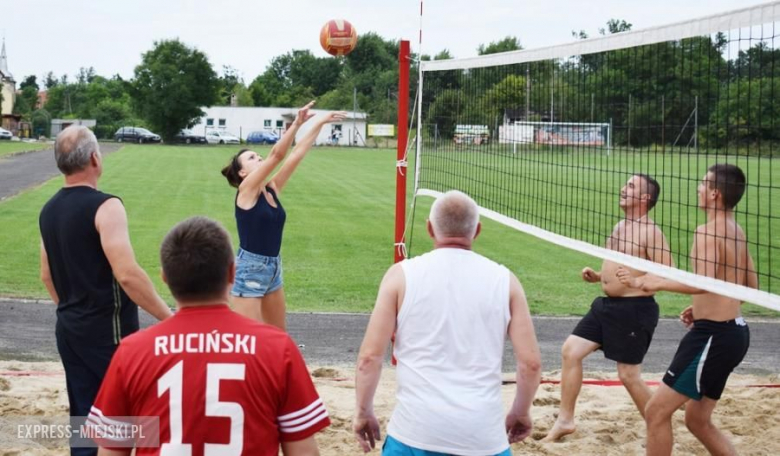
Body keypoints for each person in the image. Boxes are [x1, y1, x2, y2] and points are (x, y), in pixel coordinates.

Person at [87, 216, 331, 455]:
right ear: (232, 273)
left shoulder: (132, 352)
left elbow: (112, 450)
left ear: (164, 277)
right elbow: (303, 451)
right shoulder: (277, 349)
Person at [353, 190, 542, 455]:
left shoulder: (400, 276)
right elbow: (530, 364)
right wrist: (520, 412)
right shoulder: (505, 280)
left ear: (430, 229)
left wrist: (363, 412)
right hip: (483, 437)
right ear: (477, 230)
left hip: (415, 433)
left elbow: (369, 359)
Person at [39, 125, 173, 456]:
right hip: (107, 331)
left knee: (84, 417)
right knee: (124, 422)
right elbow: (127, 274)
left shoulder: (48, 209)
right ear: (96, 158)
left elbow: (46, 275)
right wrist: (169, 317)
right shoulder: (107, 206)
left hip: (68, 327)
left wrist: (71, 311)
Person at [617, 164, 756, 456]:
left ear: (715, 194)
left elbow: (702, 282)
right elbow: (748, 286)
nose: (698, 188)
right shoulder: (736, 230)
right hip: (734, 332)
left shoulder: (706, 232)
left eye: (703, 184)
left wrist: (655, 282)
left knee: (655, 411)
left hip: (713, 336)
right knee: (697, 420)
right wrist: (701, 307)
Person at [543, 173, 674, 442]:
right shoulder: (619, 227)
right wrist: (597, 276)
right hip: (606, 306)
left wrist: (637, 281)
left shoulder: (651, 232)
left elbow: (667, 275)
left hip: (635, 310)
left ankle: (658, 423)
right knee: (571, 351)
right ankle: (565, 421)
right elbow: (614, 268)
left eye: (631, 185)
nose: (623, 188)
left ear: (645, 198)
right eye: (625, 183)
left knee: (628, 375)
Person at [220, 101, 346, 330]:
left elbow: (296, 154)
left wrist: (319, 123)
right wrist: (296, 123)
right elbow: (277, 155)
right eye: (251, 158)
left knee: (278, 337)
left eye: (258, 155)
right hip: (250, 269)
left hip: (273, 268)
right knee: (246, 341)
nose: (258, 158)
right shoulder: (246, 191)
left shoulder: (271, 189)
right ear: (242, 172)